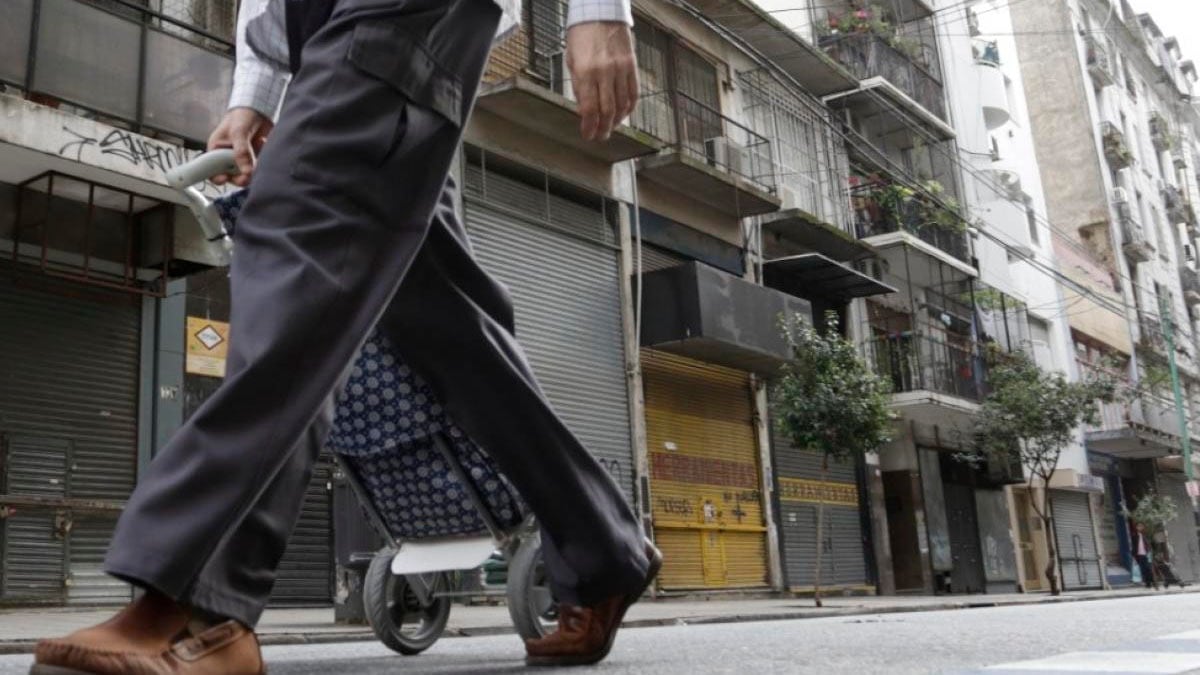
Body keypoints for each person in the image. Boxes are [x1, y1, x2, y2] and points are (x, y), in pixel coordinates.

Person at [32, 1, 659, 673]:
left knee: (299, 241)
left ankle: (197, 604)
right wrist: (258, 89)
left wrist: (597, 11)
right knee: (441, 318)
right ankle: (603, 550)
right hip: (323, 31)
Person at [1132, 522, 1157, 590]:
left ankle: (1152, 582)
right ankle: (1148, 584)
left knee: (1148, 569)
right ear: (1136, 527)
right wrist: (1134, 555)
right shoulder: (1134, 535)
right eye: (1138, 526)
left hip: (1147, 554)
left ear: (1143, 527)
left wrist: (1153, 551)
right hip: (1139, 555)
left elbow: (1152, 543)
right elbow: (1134, 546)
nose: (1139, 527)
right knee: (1143, 570)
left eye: (1141, 526)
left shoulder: (1146, 535)